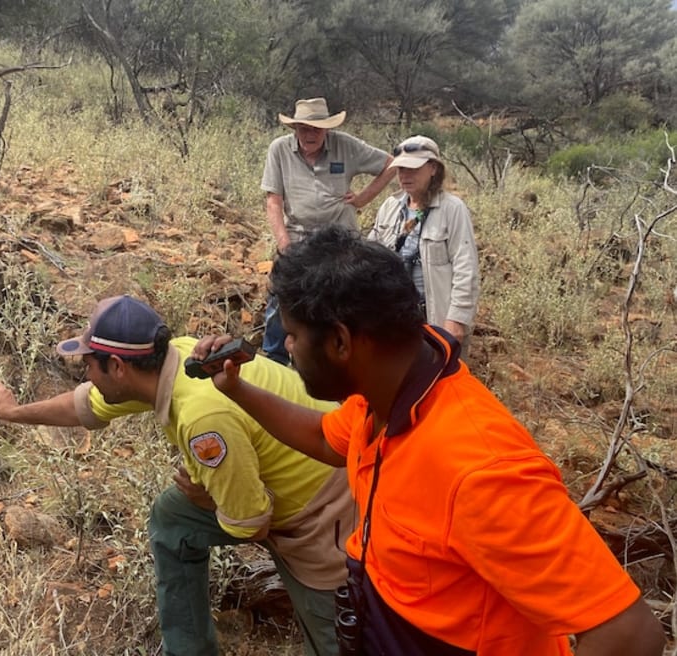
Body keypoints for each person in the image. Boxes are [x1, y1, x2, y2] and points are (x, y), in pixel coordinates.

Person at [192, 227, 665, 656]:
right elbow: (326, 438)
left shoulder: (480, 468)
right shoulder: (381, 395)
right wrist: (236, 389)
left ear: (340, 342)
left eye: (293, 336)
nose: (288, 349)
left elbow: (629, 634)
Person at [0, 295, 355, 656]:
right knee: (174, 517)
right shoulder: (177, 356)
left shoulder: (202, 418)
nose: (85, 373)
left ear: (118, 368)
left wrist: (210, 500)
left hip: (324, 507)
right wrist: (14, 412)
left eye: (89, 364)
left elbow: (252, 523)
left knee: (336, 639)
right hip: (267, 480)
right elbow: (86, 405)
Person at [260, 97, 395, 365]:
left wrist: (363, 198)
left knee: (342, 300)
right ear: (295, 128)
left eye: (316, 129)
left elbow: (391, 164)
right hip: (298, 235)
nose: (310, 135)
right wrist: (284, 243)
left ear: (327, 129)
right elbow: (273, 200)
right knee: (281, 295)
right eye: (304, 129)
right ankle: (273, 358)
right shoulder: (279, 149)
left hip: (339, 240)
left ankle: (335, 362)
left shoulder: (346, 146)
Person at [367, 135, 479, 350]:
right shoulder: (390, 207)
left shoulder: (452, 209)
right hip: (394, 318)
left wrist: (456, 320)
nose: (405, 176)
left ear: (433, 169)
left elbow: (466, 268)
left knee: (442, 381)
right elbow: (372, 259)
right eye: (401, 169)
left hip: (436, 319)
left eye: (413, 169)